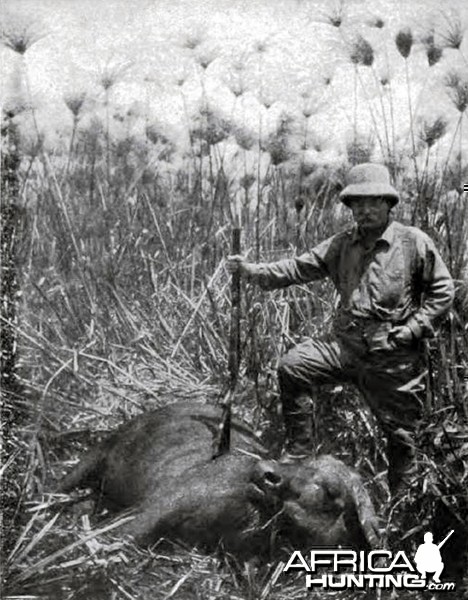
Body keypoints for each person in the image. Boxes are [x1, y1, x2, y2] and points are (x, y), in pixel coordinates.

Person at [227, 163, 454, 495]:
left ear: (389, 204)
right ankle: (299, 453)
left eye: (373, 201)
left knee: (404, 438)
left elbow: (443, 290)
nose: (364, 210)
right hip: (345, 347)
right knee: (294, 366)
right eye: (357, 204)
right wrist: (250, 270)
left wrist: (413, 329)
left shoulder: (413, 242)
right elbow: (297, 267)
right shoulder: (342, 244)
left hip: (393, 356)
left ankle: (401, 510)